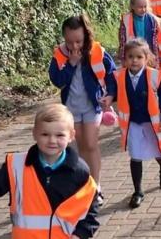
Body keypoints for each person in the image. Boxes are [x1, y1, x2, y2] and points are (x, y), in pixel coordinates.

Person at [0, 103, 100, 239]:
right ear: (34, 134)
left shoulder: (79, 171)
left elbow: (90, 209)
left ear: (71, 136)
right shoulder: (16, 165)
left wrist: (81, 234)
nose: (52, 140)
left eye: (59, 135)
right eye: (45, 134)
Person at [49, 14, 117, 206]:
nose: (75, 46)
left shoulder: (97, 51)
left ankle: (96, 188)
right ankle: (81, 187)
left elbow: (112, 75)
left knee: (91, 145)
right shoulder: (60, 54)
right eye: (70, 42)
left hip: (91, 106)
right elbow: (56, 80)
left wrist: (110, 95)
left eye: (79, 41)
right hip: (71, 109)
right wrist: (70, 64)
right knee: (76, 149)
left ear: (86, 36)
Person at [112, 38, 161, 208]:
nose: (134, 60)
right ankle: (138, 191)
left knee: (157, 151)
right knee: (135, 156)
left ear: (146, 58)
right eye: (130, 57)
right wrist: (107, 99)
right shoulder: (120, 76)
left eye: (139, 57)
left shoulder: (154, 75)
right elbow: (113, 91)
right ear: (125, 59)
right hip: (133, 122)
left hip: (151, 122)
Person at [118, 0, 161, 74]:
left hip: (151, 57)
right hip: (134, 57)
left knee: (150, 79)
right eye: (140, 7)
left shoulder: (153, 20)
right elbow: (123, 40)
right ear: (132, 6)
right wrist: (123, 58)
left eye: (145, 6)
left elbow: (160, 41)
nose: (143, 9)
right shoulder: (126, 20)